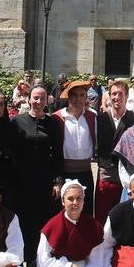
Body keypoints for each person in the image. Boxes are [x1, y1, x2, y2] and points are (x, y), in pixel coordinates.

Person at [11, 85, 64, 261]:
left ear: (47, 100)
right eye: (35, 98)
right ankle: (24, 261)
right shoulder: (17, 122)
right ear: (29, 99)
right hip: (22, 181)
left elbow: (57, 154)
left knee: (43, 222)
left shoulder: (53, 123)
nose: (38, 102)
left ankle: (41, 263)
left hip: (44, 181)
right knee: (24, 222)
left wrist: (58, 181)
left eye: (42, 98)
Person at [55, 79, 116, 221]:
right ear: (68, 97)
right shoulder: (57, 118)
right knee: (65, 213)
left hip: (86, 172)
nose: (78, 99)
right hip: (64, 172)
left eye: (82, 95)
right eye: (74, 95)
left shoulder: (93, 116)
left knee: (86, 212)